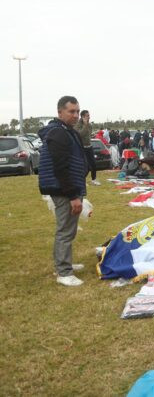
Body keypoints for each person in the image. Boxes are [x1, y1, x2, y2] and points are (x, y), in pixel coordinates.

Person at [38, 96, 87, 286]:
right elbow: (60, 167)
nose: (76, 115)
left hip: (68, 188)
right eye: (71, 112)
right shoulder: (58, 133)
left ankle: (64, 264)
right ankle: (64, 272)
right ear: (60, 112)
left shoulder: (67, 131)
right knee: (65, 230)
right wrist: (73, 195)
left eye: (77, 111)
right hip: (64, 190)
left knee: (69, 229)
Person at [74, 110, 100, 185]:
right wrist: (85, 125)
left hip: (89, 146)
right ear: (82, 117)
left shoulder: (90, 125)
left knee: (93, 164)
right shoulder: (77, 125)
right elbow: (80, 135)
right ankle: (82, 180)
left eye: (89, 115)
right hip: (81, 148)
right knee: (85, 165)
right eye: (87, 116)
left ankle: (94, 179)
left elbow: (88, 135)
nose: (89, 117)